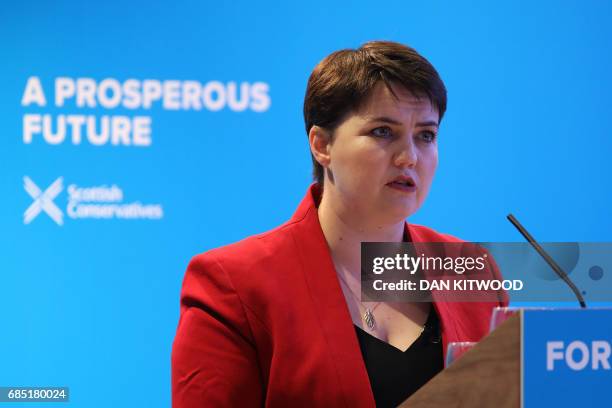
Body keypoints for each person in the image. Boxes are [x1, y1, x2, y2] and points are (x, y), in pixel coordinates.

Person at [172, 40, 506, 407]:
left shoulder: (470, 270)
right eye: (383, 131)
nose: (409, 156)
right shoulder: (234, 286)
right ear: (322, 145)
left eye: (425, 135)